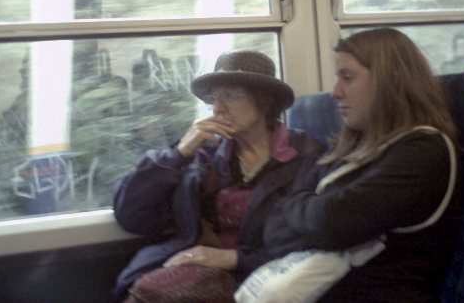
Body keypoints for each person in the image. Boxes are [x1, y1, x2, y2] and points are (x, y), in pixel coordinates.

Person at [242, 28, 460, 302]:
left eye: (347, 77)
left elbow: (330, 222)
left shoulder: (423, 150)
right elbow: (274, 229)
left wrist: (307, 214)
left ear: (390, 81)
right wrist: (316, 219)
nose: (335, 92)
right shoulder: (347, 149)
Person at [111, 50, 326, 301]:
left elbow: (316, 241)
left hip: (270, 277)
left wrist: (234, 258)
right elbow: (131, 217)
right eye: (214, 98)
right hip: (197, 269)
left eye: (229, 96)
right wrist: (178, 154)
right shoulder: (204, 152)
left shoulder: (306, 156)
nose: (217, 108)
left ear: (265, 101)